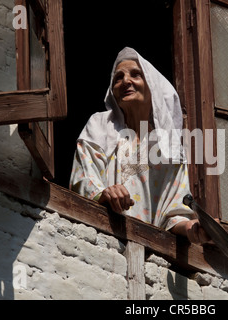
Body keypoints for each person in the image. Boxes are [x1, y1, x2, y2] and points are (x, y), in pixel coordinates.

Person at [69, 47, 210, 244]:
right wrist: (103, 194)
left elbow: (172, 211)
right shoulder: (100, 125)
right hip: (101, 239)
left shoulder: (168, 147)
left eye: (136, 74)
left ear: (151, 85)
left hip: (149, 248)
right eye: (118, 78)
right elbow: (82, 179)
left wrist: (191, 228)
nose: (125, 81)